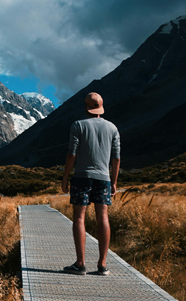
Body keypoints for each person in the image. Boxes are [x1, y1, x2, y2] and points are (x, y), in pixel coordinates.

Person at [61, 92, 120, 276]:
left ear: (86, 107)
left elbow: (72, 154)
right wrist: (114, 182)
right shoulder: (113, 128)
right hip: (104, 179)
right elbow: (116, 158)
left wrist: (65, 177)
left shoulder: (78, 125)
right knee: (103, 217)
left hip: (81, 177)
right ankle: (102, 264)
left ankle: (80, 264)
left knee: (79, 217)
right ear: (101, 107)